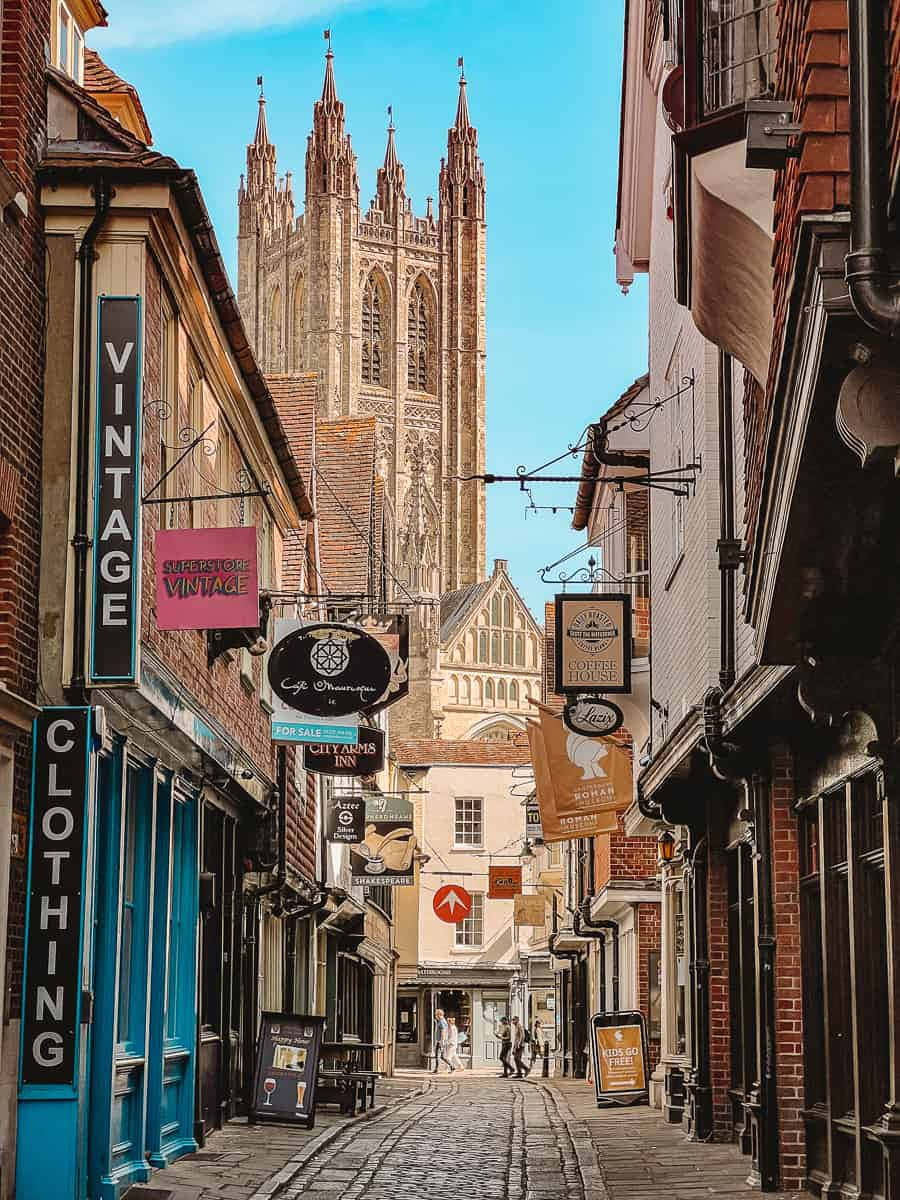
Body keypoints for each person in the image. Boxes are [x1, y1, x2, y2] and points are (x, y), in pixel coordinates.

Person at [432, 1007, 453, 1073]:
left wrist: (442, 1042)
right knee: (440, 1056)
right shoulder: (441, 1021)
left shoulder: (442, 1021)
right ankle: (437, 1069)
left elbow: (443, 1031)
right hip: (440, 1041)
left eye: (436, 1014)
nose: (435, 1016)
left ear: (439, 1015)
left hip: (441, 1041)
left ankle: (452, 1066)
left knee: (441, 1056)